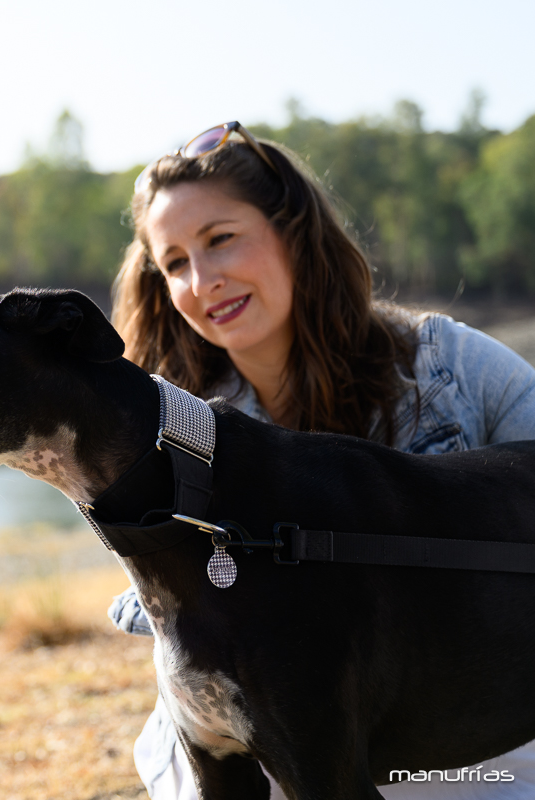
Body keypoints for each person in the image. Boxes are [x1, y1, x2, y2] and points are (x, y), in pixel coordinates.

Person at [106, 121, 535, 800]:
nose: (203, 280)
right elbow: (149, 605)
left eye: (221, 240)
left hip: (460, 714)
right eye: (176, 263)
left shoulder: (450, 367)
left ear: (293, 234)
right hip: (262, 727)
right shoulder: (175, 433)